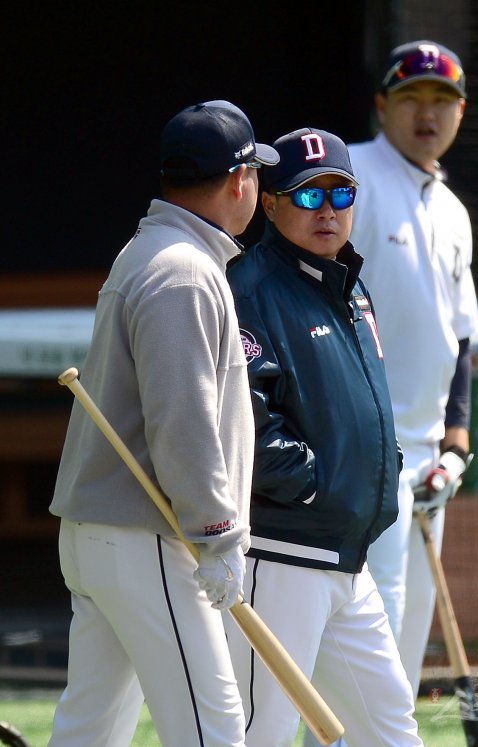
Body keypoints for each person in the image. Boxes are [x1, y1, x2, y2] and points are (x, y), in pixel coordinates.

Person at [48, 100, 279, 747]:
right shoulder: (182, 269)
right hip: (148, 533)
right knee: (212, 729)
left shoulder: (154, 252)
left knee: (90, 732)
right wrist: (218, 532)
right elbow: (183, 421)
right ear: (239, 181)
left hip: (106, 533)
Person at [224, 127, 423, 747]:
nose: (328, 211)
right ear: (270, 203)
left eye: (341, 194)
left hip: (347, 556)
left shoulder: (349, 285)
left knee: (391, 728)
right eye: (309, 196)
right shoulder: (248, 287)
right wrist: (317, 487)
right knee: (263, 733)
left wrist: (381, 466)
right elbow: (246, 421)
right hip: (282, 554)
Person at [347, 40, 478, 698]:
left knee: (403, 649)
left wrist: (456, 439)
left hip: (431, 461)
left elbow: (462, 333)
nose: (427, 113)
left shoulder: (452, 208)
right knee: (368, 640)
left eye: (441, 100)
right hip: (366, 451)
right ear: (382, 105)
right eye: (411, 98)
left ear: (461, 112)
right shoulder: (353, 176)